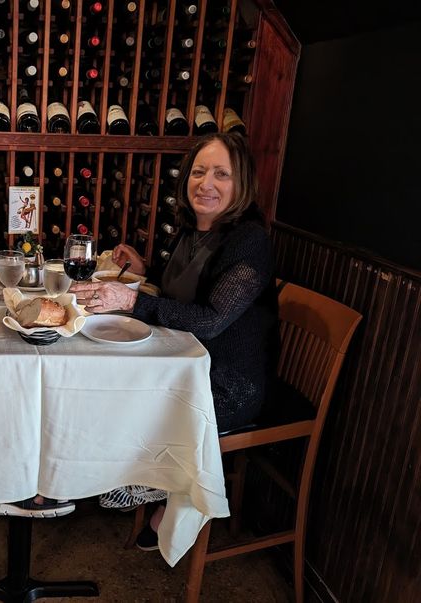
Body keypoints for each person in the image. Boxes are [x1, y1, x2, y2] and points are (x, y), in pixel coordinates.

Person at [70, 132, 279, 549]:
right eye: (199, 171)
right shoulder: (190, 230)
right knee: (101, 382)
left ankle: (157, 482)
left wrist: (131, 299)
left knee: (119, 396)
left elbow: (213, 319)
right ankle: (126, 474)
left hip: (226, 381)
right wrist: (143, 274)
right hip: (181, 364)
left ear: (241, 185)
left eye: (222, 174)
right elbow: (178, 296)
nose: (207, 183)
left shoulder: (249, 240)